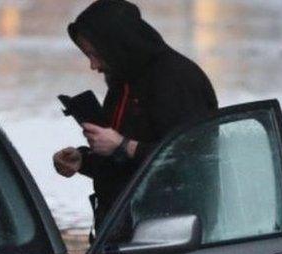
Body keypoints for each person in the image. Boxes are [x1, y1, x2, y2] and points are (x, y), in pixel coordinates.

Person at [53, 0, 218, 236]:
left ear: (119, 46)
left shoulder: (177, 79)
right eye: (88, 55)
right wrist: (84, 160)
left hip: (168, 234)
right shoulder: (123, 80)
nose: (93, 65)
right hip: (121, 229)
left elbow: (193, 159)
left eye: (96, 54)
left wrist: (124, 146)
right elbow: (124, 158)